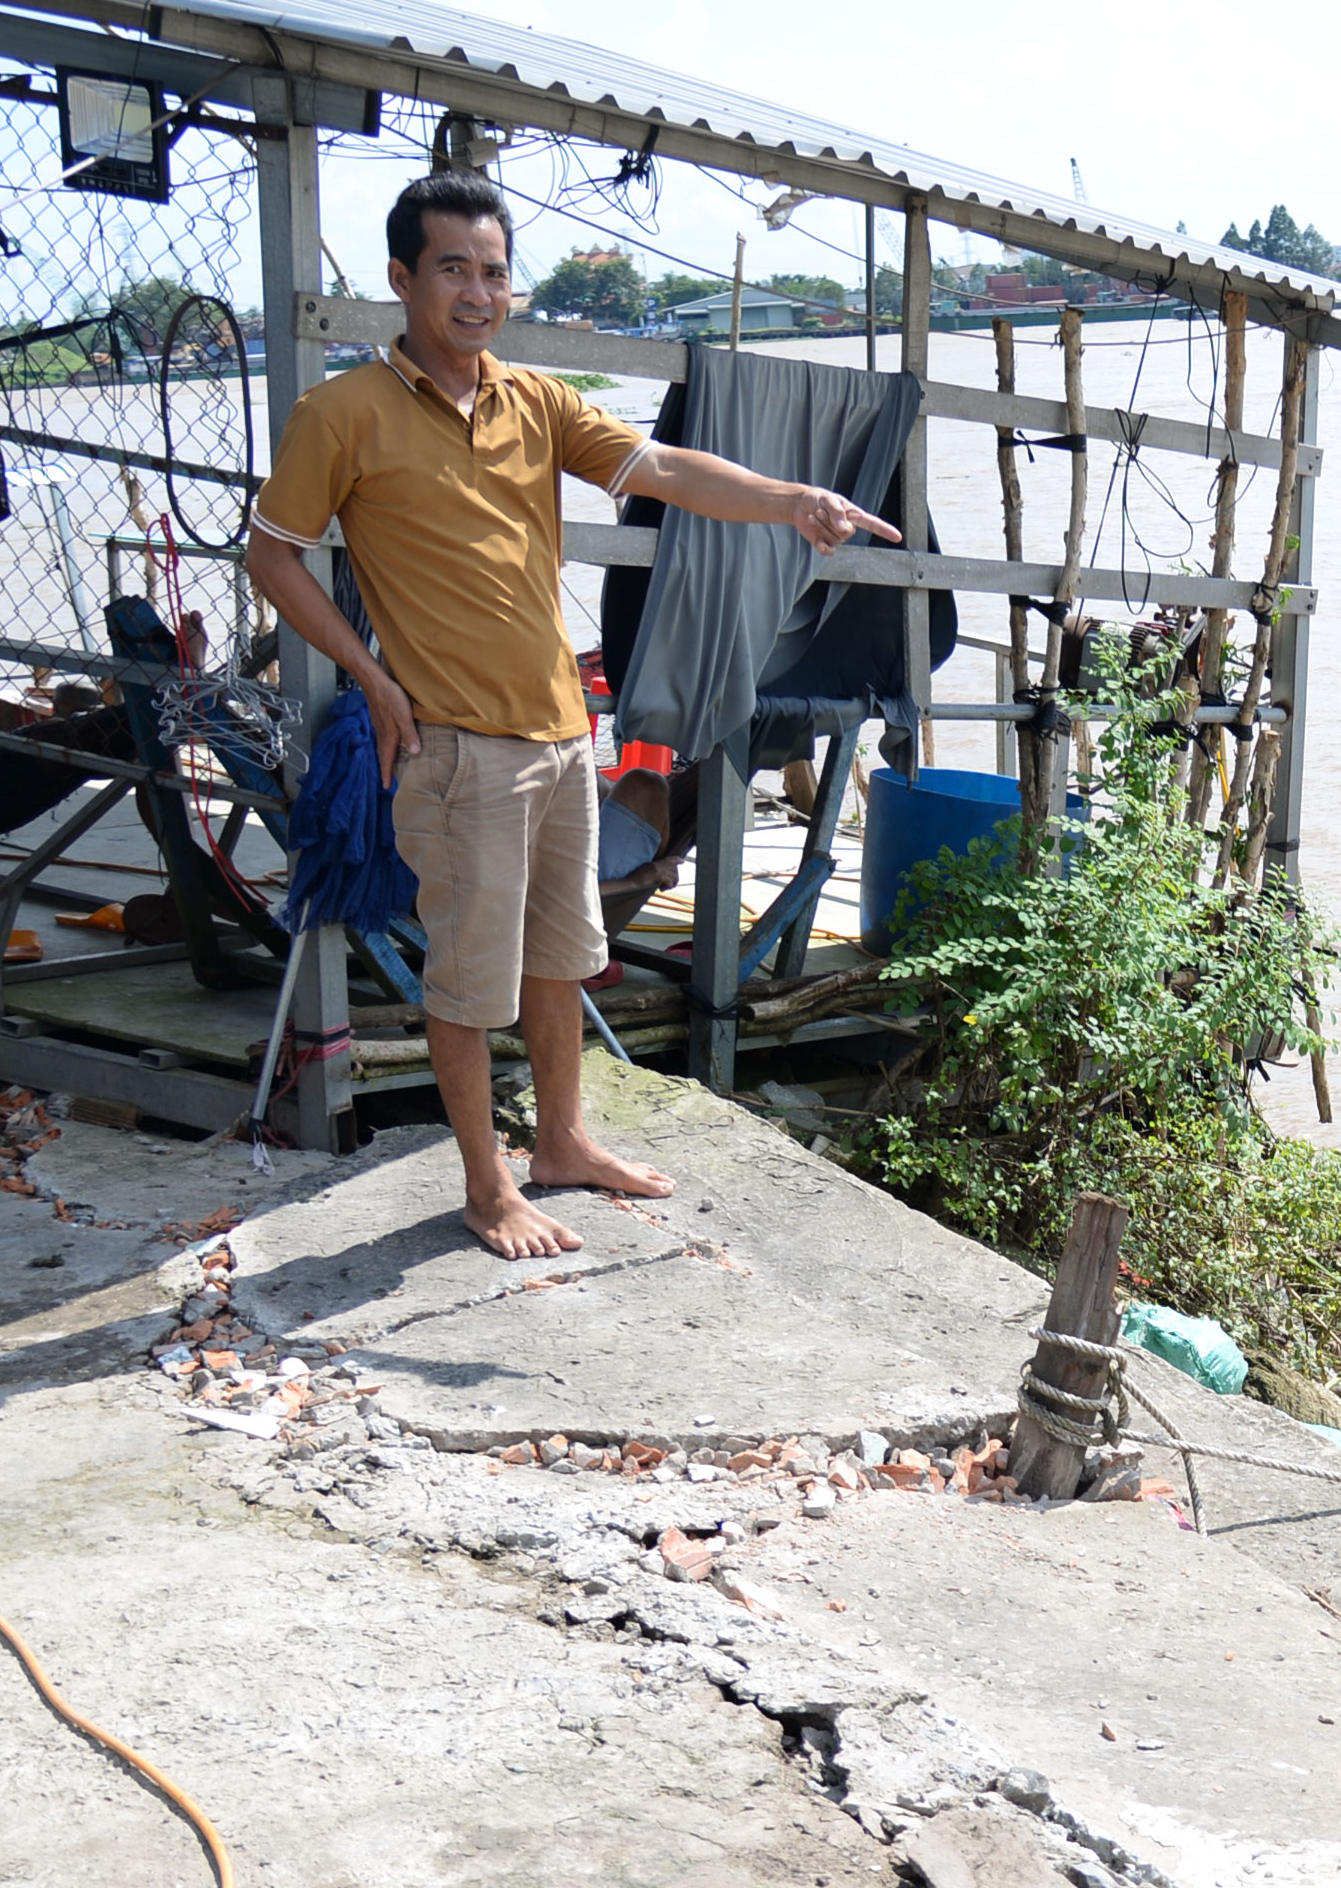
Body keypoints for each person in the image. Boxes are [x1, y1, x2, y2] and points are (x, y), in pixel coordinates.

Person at [245, 170, 900, 1259]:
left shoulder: (533, 400)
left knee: (561, 954)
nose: (476, 292)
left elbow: (662, 465)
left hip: (559, 737)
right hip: (456, 748)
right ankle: (486, 1185)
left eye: (494, 272)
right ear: (402, 279)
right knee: (467, 977)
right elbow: (272, 554)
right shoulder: (341, 415)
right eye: (452, 268)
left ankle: (563, 1141)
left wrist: (790, 501)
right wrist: (370, 675)